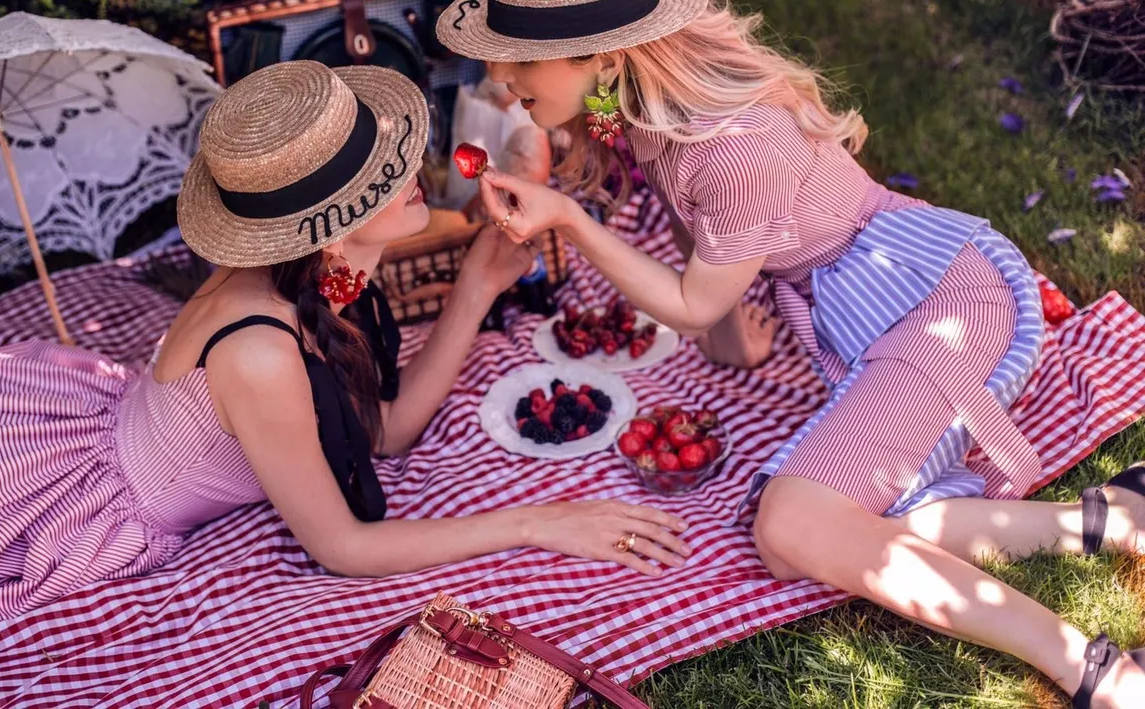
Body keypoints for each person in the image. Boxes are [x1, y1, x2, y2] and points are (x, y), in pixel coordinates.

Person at [434, 1, 1145, 705]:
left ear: (607, 57)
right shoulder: (644, 110)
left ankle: (1092, 666)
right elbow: (696, 237)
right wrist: (734, 346)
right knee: (794, 539)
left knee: (793, 523)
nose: (499, 75)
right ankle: (1109, 518)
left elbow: (691, 301)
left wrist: (568, 220)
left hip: (942, 302)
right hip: (876, 313)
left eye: (522, 58)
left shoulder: (735, 147)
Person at [0, 61, 690, 629]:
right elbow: (342, 545)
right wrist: (538, 522)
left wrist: (476, 285)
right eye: (379, 175)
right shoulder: (263, 351)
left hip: (79, 429)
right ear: (327, 223)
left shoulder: (329, 277)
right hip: (67, 504)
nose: (414, 166)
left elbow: (389, 425)